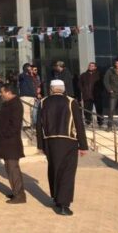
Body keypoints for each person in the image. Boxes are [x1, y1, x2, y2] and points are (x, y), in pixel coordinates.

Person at [37, 79, 88, 216]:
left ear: (51, 89)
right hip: (68, 141)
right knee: (67, 172)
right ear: (63, 89)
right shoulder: (71, 102)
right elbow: (79, 124)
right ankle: (63, 204)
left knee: (54, 169)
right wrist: (83, 145)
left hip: (50, 141)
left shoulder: (43, 102)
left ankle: (56, 197)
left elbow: (38, 125)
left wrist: (40, 144)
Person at [0, 84, 26, 204]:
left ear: (8, 92)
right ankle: (16, 191)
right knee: (9, 168)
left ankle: (19, 195)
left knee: (13, 169)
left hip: (11, 143)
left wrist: (4, 134)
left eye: (2, 92)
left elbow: (15, 125)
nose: (0, 94)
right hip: (6, 142)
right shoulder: (8, 104)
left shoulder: (15, 104)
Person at [79, 62, 103, 126]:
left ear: (95, 67)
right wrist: (83, 90)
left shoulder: (99, 75)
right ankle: (88, 122)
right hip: (87, 95)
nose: (90, 67)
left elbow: (102, 84)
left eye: (92, 66)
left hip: (97, 95)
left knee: (99, 109)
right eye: (89, 65)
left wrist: (100, 91)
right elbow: (80, 84)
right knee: (87, 110)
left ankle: (100, 122)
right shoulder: (83, 75)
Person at [18, 63, 37, 128]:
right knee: (26, 111)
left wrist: (35, 95)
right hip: (25, 96)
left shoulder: (32, 76)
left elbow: (35, 85)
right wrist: (27, 73)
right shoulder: (22, 76)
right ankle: (26, 125)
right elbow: (21, 77)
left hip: (32, 96)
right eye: (30, 68)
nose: (31, 69)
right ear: (26, 68)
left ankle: (32, 124)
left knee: (33, 112)